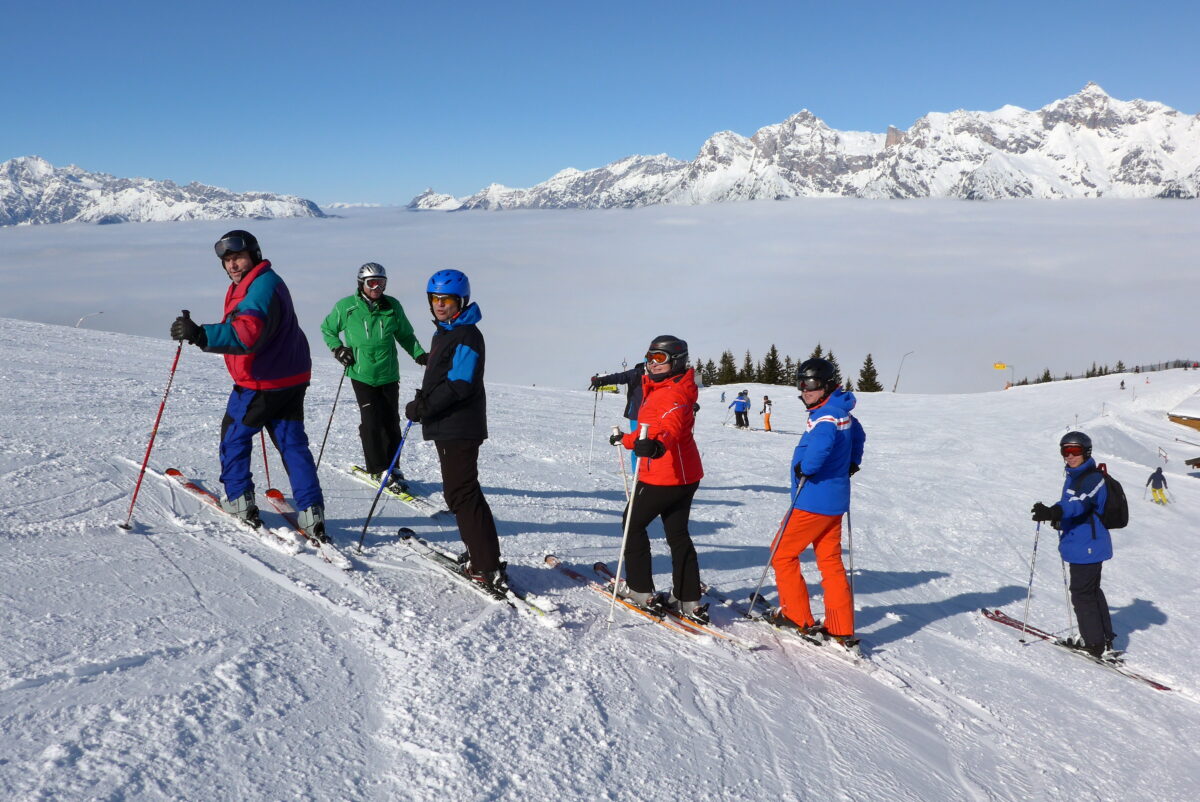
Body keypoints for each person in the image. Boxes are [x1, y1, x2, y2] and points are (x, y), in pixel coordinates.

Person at [169, 230, 327, 538]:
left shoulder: (259, 288)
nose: (232, 265)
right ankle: (312, 512)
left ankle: (240, 500)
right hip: (291, 376)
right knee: (292, 444)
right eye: (227, 260)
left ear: (253, 254)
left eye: (238, 257)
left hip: (261, 382)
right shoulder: (261, 281)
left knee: (235, 436)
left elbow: (246, 334)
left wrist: (201, 334)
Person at [404, 270, 505, 588]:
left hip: (458, 425)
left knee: (462, 493)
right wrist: (426, 402)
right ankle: (480, 554)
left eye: (446, 300)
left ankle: (486, 565)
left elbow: (459, 384)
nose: (439, 305)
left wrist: (424, 408)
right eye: (434, 299)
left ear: (460, 301)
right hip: (450, 423)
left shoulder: (466, 335)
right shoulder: (448, 332)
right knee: (460, 492)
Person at [609, 335, 707, 622]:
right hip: (686, 475)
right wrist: (625, 440)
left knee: (631, 524)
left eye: (660, 358)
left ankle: (639, 589)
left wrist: (658, 446)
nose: (653, 363)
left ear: (676, 361)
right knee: (677, 533)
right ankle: (687, 597)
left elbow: (670, 428)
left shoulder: (672, 393)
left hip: (663, 476)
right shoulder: (670, 386)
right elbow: (649, 431)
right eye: (650, 357)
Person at [771, 358, 865, 645]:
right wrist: (852, 462)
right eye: (801, 384)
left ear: (825, 384)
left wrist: (806, 468)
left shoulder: (825, 417)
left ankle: (797, 616)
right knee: (830, 561)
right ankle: (840, 625)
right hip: (834, 501)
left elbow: (822, 445)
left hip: (812, 500)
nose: (805, 391)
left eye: (810, 384)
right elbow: (859, 435)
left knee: (782, 554)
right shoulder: (840, 411)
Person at [321, 263, 427, 489]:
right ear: (362, 284)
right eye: (372, 283)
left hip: (388, 373)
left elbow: (405, 335)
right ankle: (377, 468)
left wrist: (419, 355)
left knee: (391, 421)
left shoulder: (392, 306)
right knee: (371, 422)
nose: (377, 287)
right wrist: (338, 349)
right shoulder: (346, 307)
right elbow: (327, 329)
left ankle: (393, 467)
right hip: (362, 374)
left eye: (382, 283)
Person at [1031, 431, 1116, 659]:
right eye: (1065, 451)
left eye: (1075, 451)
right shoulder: (1074, 476)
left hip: (1088, 547)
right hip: (1081, 543)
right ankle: (1104, 639)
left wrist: (1054, 511)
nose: (1069, 456)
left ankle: (1094, 644)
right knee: (1090, 591)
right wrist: (1058, 518)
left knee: (1082, 594)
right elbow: (1074, 507)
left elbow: (1079, 504)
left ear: (1086, 452)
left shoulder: (1092, 478)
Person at [590, 361, 646, 473]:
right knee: (637, 442)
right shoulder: (636, 373)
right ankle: (637, 474)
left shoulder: (662, 375)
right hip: (636, 414)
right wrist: (602, 380)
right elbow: (619, 377)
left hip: (656, 415)